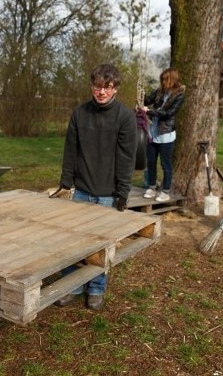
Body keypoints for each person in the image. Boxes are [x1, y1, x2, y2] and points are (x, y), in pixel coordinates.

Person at [55, 63, 136, 310]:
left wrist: (122, 193)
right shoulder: (80, 114)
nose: (101, 92)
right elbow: (71, 151)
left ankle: (96, 288)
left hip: (107, 194)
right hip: (81, 190)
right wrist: (65, 183)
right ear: (92, 86)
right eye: (97, 86)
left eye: (107, 87)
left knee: (100, 245)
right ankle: (72, 285)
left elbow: (126, 158)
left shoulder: (124, 117)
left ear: (115, 90)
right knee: (73, 242)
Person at [141, 68, 185, 202]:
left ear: (172, 80)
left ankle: (165, 191)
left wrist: (150, 111)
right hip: (153, 133)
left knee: (165, 164)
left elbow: (169, 113)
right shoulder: (159, 92)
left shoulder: (179, 95)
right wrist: (142, 94)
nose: (163, 82)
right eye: (162, 80)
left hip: (166, 134)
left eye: (165, 80)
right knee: (151, 162)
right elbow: (147, 101)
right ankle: (152, 187)